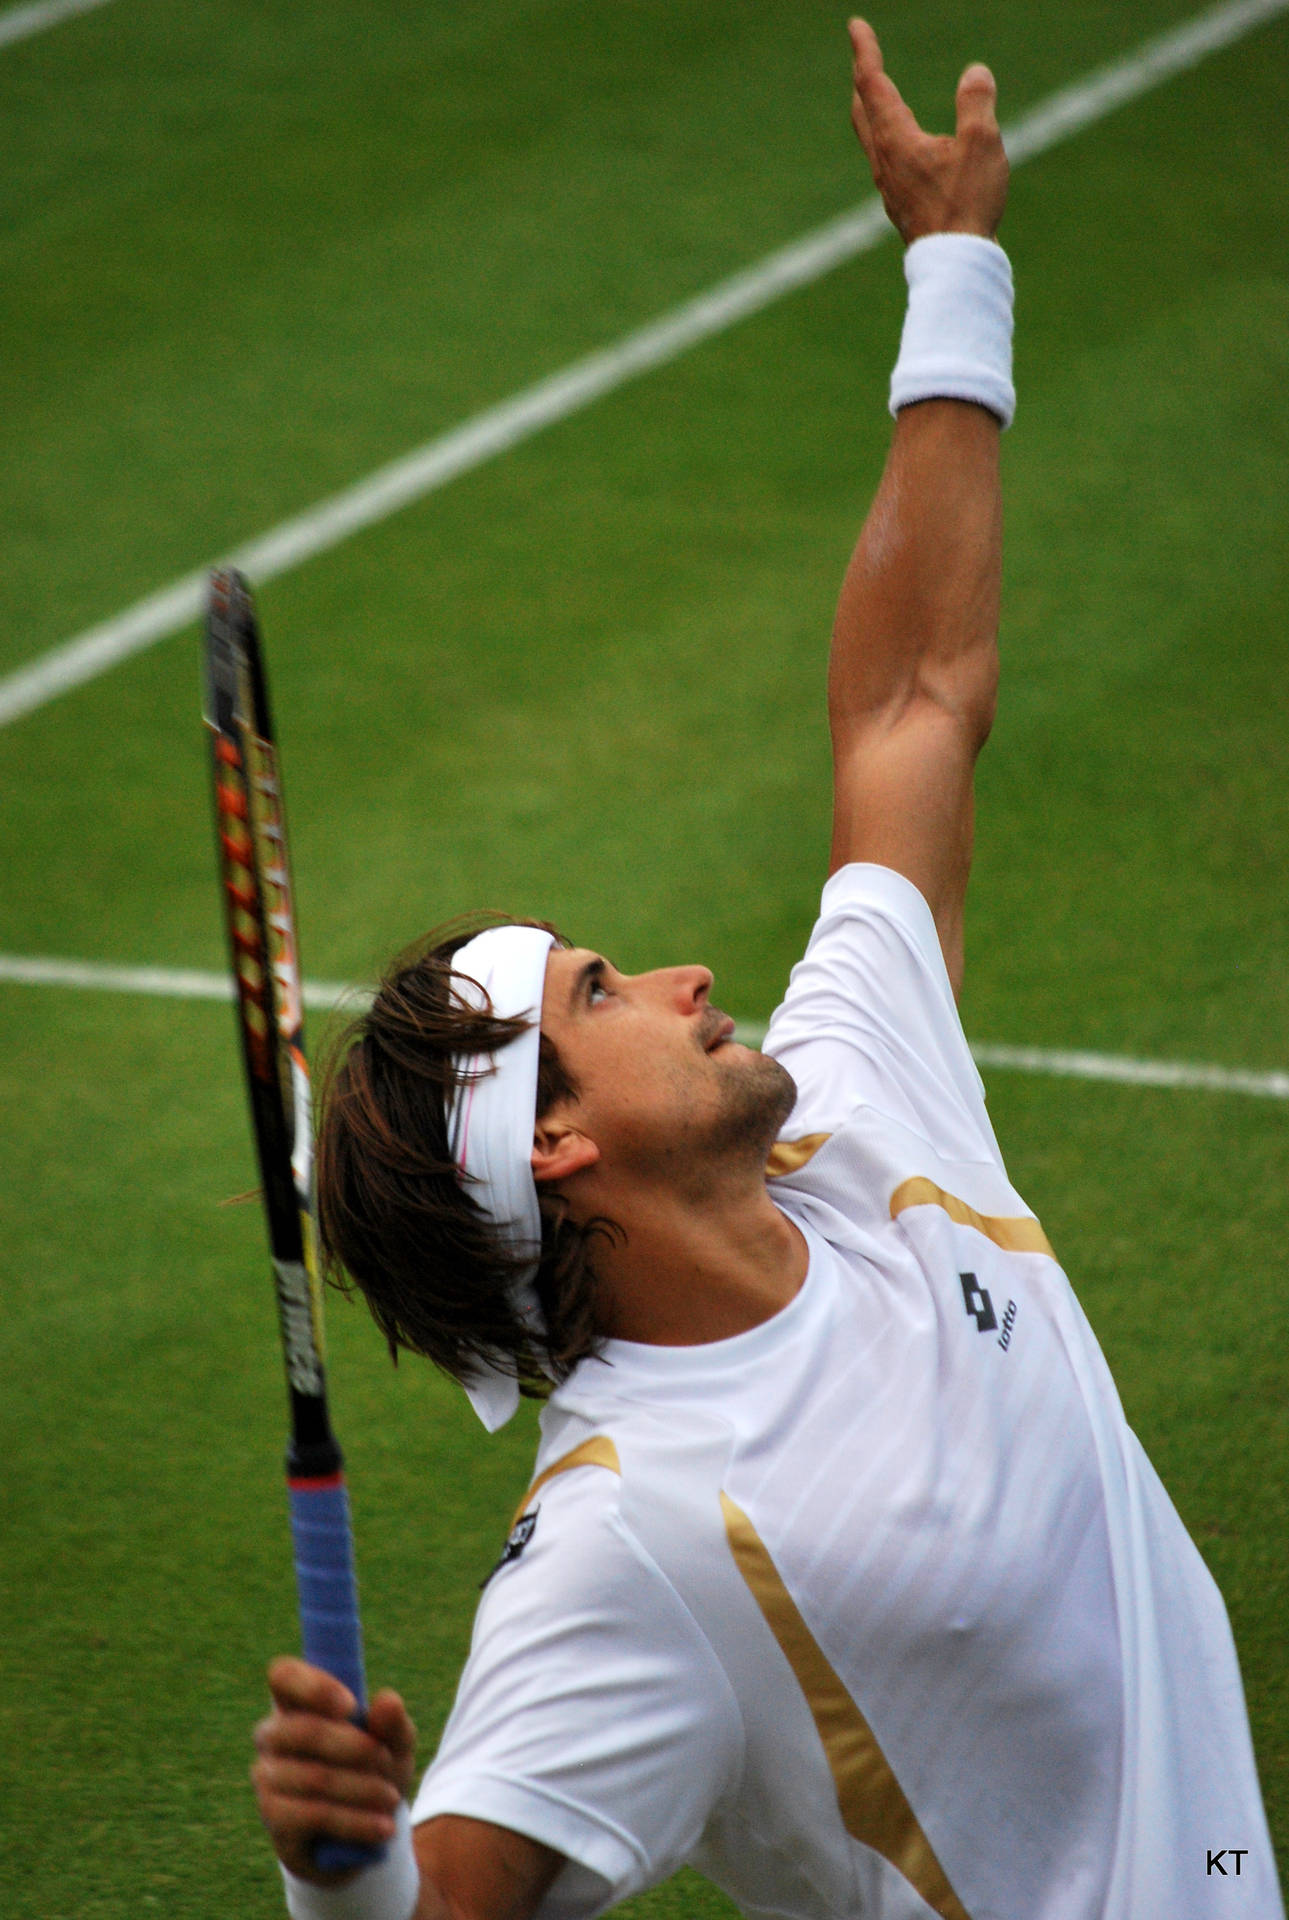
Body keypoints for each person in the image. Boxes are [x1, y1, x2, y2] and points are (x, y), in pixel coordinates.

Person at [252, 20, 1282, 1920]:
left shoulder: (855, 1094)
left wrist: (951, 275)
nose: (680, 979)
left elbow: (910, 704)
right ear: (548, 1151)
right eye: (596, 995)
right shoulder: (627, 1544)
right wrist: (345, 1883)